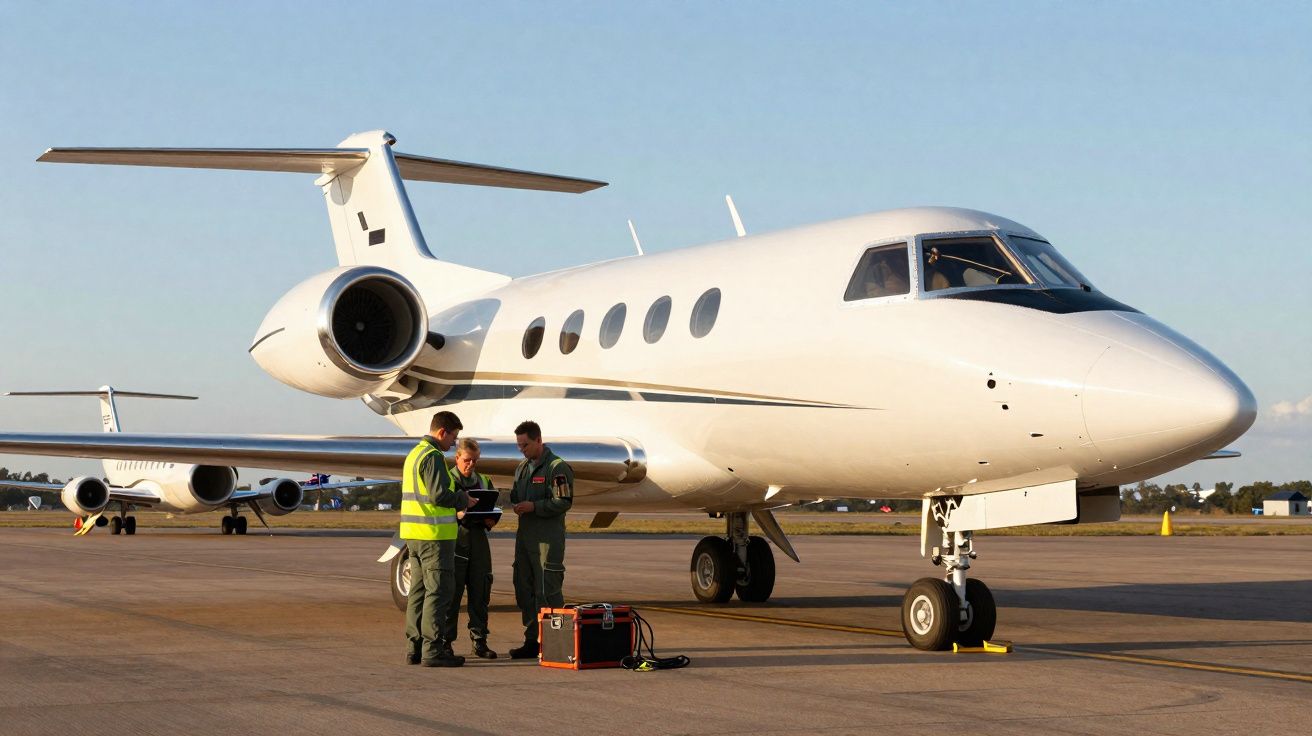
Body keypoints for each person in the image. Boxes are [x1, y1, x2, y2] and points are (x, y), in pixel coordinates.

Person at [401, 410, 472, 667]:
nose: (454, 443)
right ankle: (433, 650)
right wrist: (463, 499)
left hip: (414, 535)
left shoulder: (414, 454)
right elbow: (439, 495)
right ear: (442, 432)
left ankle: (415, 648)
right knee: (439, 592)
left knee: (418, 593)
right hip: (434, 536)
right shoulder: (433, 457)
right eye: (453, 437)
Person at [507, 420, 574, 659]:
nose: (522, 449)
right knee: (524, 589)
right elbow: (515, 494)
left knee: (549, 592)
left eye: (525, 445)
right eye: (519, 445)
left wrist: (534, 506)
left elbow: (563, 501)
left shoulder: (557, 468)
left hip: (547, 542)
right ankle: (532, 640)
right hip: (525, 541)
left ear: (538, 440)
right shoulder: (522, 469)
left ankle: (559, 644)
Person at [443, 437, 499, 659]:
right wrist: (454, 514)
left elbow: (493, 507)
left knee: (480, 592)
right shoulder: (446, 480)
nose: (471, 465)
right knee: (452, 594)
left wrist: (492, 520)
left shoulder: (484, 481)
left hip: (478, 540)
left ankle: (479, 640)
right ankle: (446, 642)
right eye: (467, 460)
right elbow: (435, 506)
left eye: (475, 461)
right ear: (457, 458)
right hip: (455, 538)